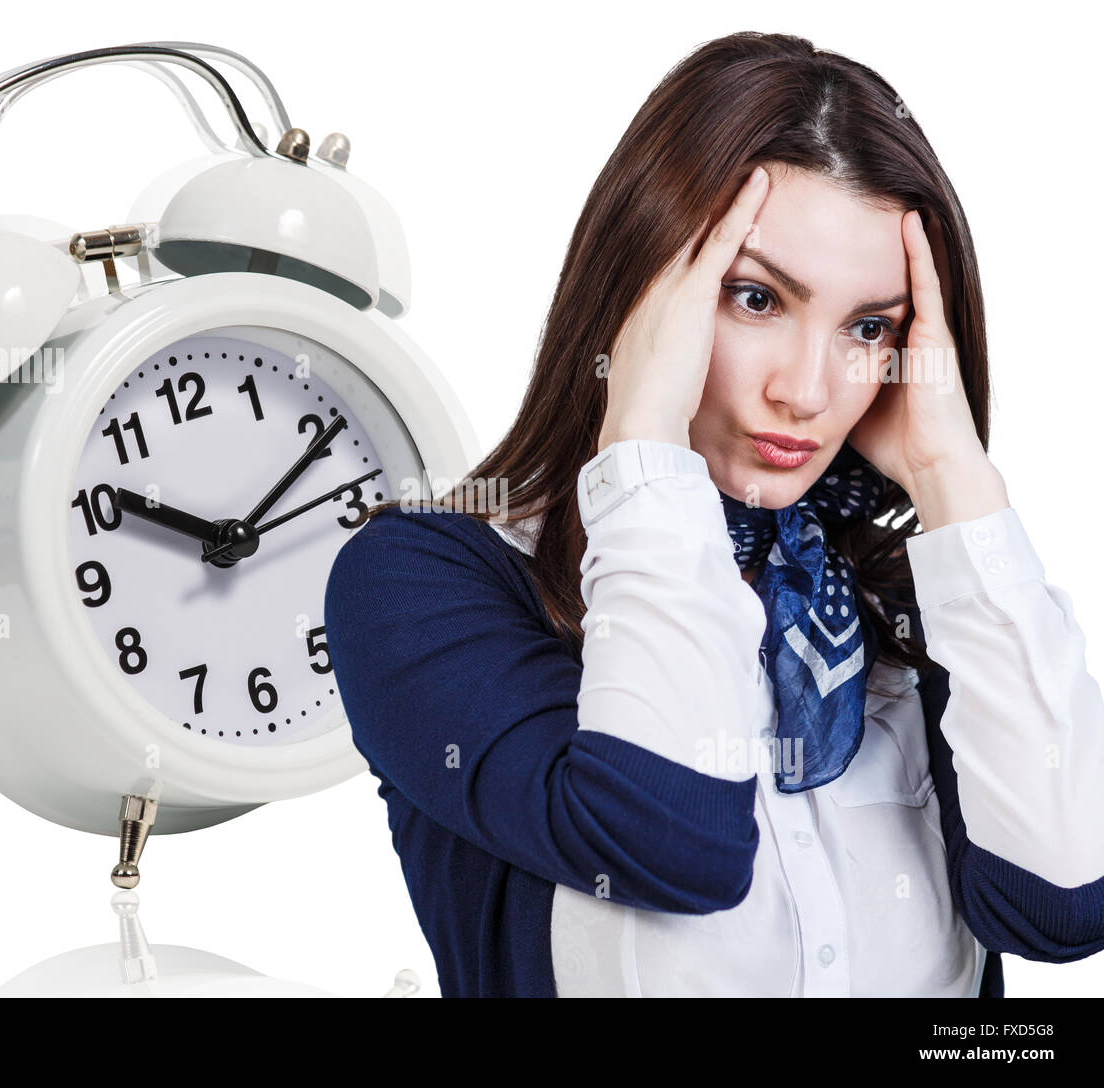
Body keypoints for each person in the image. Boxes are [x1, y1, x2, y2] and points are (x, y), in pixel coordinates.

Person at [322, 30, 1104, 997]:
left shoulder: (910, 595)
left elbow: (1061, 906)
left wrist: (953, 476)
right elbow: (671, 844)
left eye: (870, 327)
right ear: (642, 292)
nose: (809, 391)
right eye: (754, 298)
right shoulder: (422, 582)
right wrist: (643, 436)